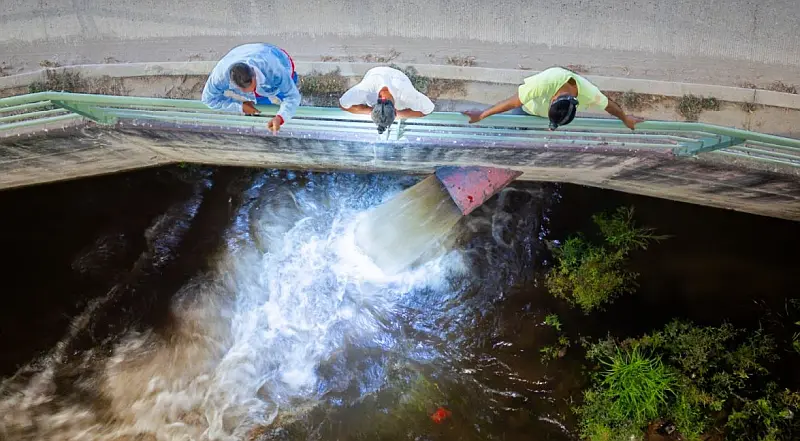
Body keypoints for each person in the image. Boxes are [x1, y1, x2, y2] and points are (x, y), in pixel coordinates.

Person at [462, 66, 643, 130]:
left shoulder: (589, 93)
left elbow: (609, 106)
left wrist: (625, 118)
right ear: (553, 98)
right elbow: (515, 101)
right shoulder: (545, 81)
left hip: (542, 117)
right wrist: (482, 115)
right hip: (525, 111)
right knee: (507, 127)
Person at [202, 43, 301, 135]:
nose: (248, 91)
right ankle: (267, 120)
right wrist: (240, 107)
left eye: (252, 86)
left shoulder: (274, 69)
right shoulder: (220, 77)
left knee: (288, 96)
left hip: (277, 59)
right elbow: (208, 99)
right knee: (261, 107)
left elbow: (292, 96)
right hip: (242, 53)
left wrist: (281, 118)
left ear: (254, 73)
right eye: (244, 90)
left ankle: (287, 113)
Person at [339, 66, 435, 134]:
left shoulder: (407, 95)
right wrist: (369, 111)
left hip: (394, 76)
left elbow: (428, 110)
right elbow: (342, 105)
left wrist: (401, 114)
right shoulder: (363, 90)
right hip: (377, 74)